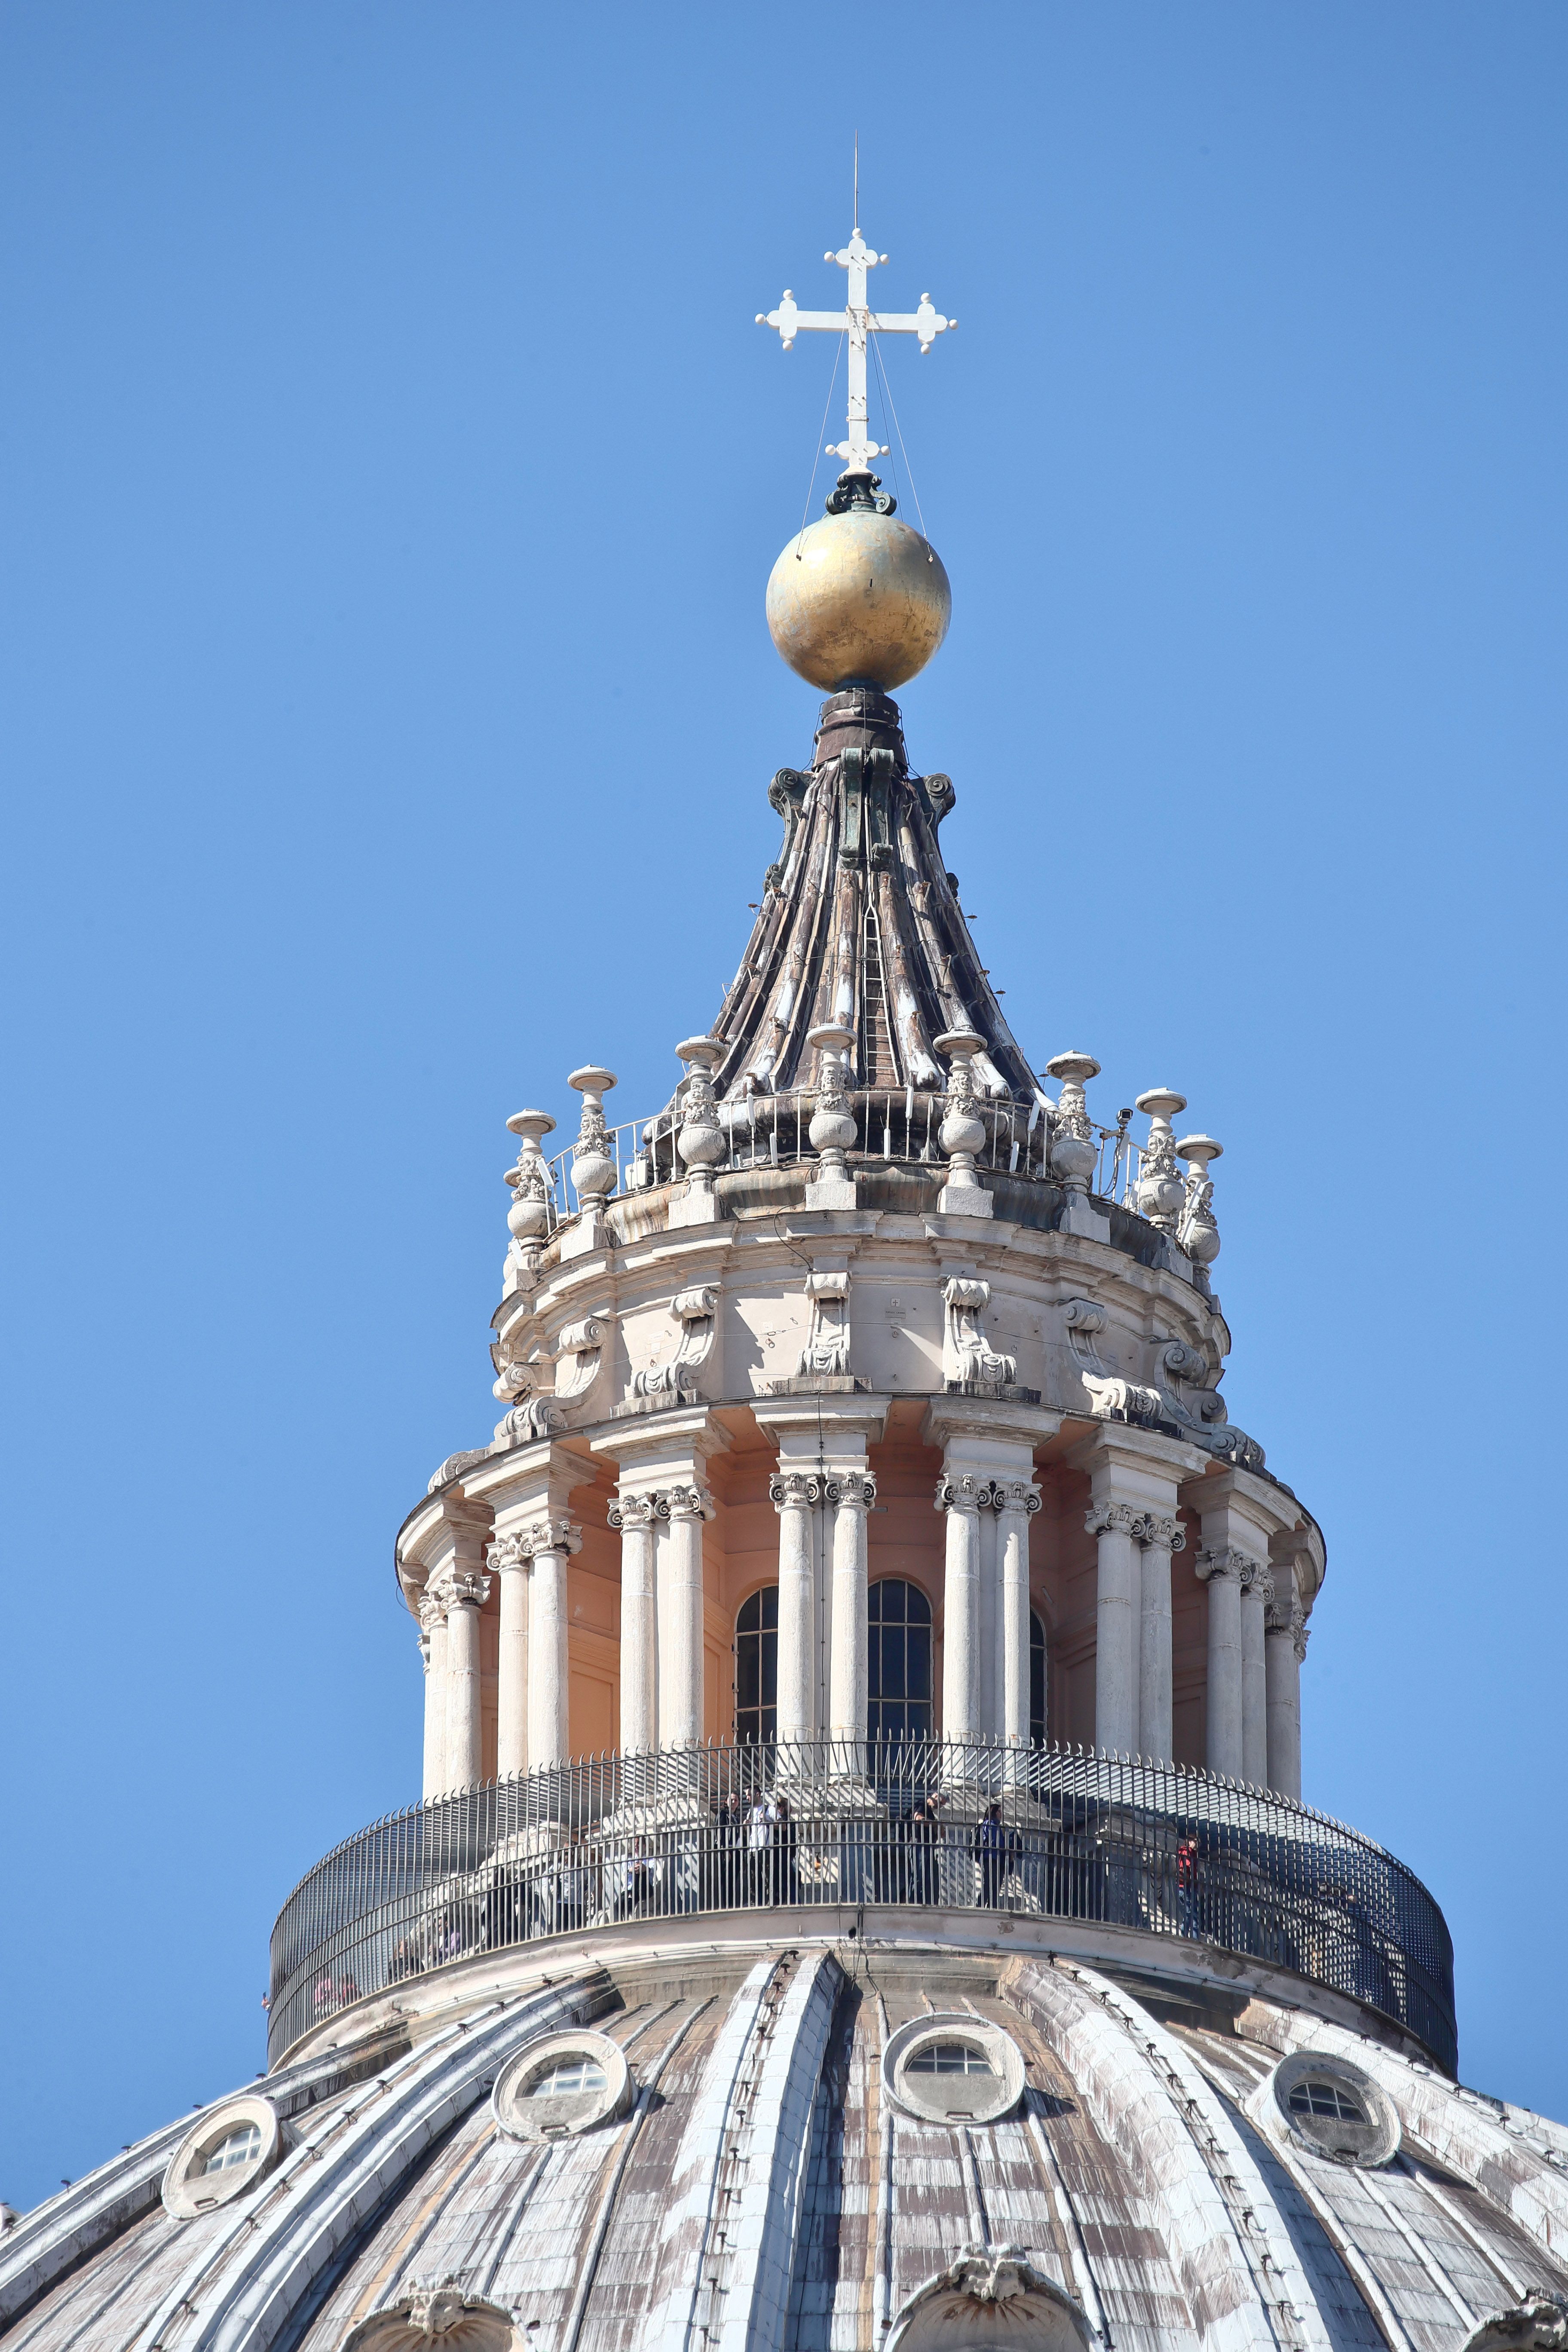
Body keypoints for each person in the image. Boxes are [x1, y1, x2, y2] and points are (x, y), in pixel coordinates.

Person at [973, 1802, 1020, 1908]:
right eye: (999, 1811)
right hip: (990, 1857)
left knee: (996, 1885)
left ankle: (992, 1906)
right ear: (993, 1812)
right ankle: (980, 1905)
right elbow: (993, 1841)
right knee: (989, 1883)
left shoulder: (998, 1827)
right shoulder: (988, 1824)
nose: (1001, 1814)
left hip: (998, 1859)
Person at [906, 1797, 938, 1905]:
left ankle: (921, 1901)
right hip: (919, 1843)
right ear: (936, 1797)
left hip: (926, 1845)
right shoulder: (922, 1804)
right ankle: (913, 1903)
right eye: (941, 1803)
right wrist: (936, 1824)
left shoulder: (930, 1812)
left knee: (925, 1877)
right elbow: (918, 1819)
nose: (940, 1806)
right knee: (918, 1875)